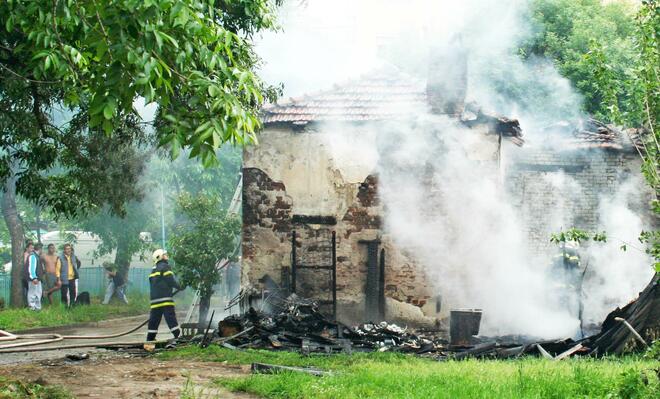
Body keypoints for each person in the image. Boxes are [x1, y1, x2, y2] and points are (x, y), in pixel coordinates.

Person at [145, 249, 181, 351]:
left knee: (154, 320)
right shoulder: (165, 267)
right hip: (165, 299)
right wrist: (179, 286)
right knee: (170, 318)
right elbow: (170, 280)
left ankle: (149, 339)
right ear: (160, 257)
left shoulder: (153, 269)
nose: (166, 256)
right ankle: (177, 336)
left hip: (155, 300)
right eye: (164, 255)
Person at [25, 243, 43, 311]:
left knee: (38, 293)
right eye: (42, 249)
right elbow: (31, 268)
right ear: (40, 249)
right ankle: (32, 308)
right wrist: (34, 278)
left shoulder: (37, 256)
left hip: (37, 278)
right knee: (32, 293)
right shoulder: (33, 256)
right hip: (34, 278)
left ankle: (37, 308)